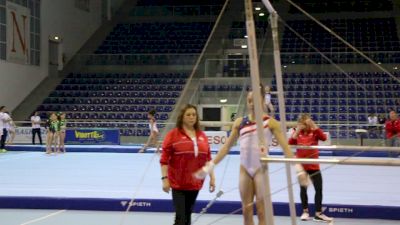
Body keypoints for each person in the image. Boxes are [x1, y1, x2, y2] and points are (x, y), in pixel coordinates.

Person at [195, 85, 308, 225]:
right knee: (246, 211)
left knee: (262, 211)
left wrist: (299, 170)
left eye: (255, 100)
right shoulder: (240, 122)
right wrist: (209, 167)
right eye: (249, 101)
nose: (252, 104)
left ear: (262, 100)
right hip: (245, 170)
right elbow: (226, 148)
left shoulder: (270, 123)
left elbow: (286, 148)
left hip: (261, 170)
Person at [160, 104, 215, 225]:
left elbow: (208, 158)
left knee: (187, 216)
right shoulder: (173, 135)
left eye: (194, 115)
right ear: (182, 117)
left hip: (195, 183)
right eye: (188, 115)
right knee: (181, 218)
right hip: (178, 183)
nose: (191, 117)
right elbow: (164, 160)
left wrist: (212, 178)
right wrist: (164, 179)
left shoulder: (202, 136)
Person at [288, 114, 333, 222]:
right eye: (302, 123)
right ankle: (305, 212)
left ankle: (318, 213)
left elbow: (324, 138)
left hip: (313, 165)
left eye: (305, 123)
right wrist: (298, 130)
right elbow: (290, 143)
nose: (304, 125)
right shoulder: (296, 132)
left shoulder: (314, 131)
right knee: (303, 189)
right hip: (302, 166)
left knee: (319, 189)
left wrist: (313, 125)